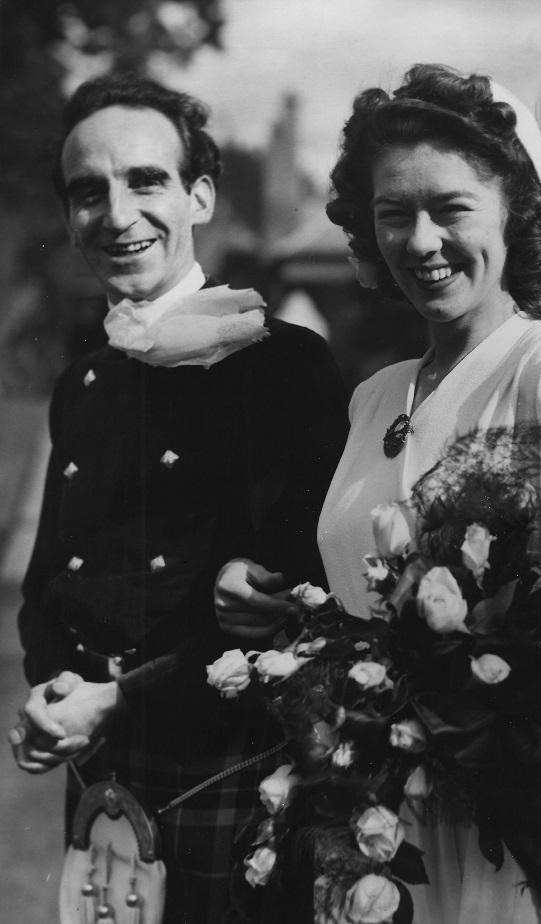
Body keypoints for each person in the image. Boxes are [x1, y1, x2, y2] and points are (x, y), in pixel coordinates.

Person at [217, 65, 541, 923]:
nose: (422, 240)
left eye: (451, 208)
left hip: (519, 841)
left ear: (516, 213)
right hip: (373, 837)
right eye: (394, 213)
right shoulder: (373, 396)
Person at [8, 73, 348, 924]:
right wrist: (53, 694)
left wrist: (118, 697)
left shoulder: (281, 365)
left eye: (145, 181)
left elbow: (295, 603)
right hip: (104, 779)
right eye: (89, 192)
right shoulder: (83, 381)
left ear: (200, 195)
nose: (116, 215)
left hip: (226, 768)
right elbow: (50, 582)